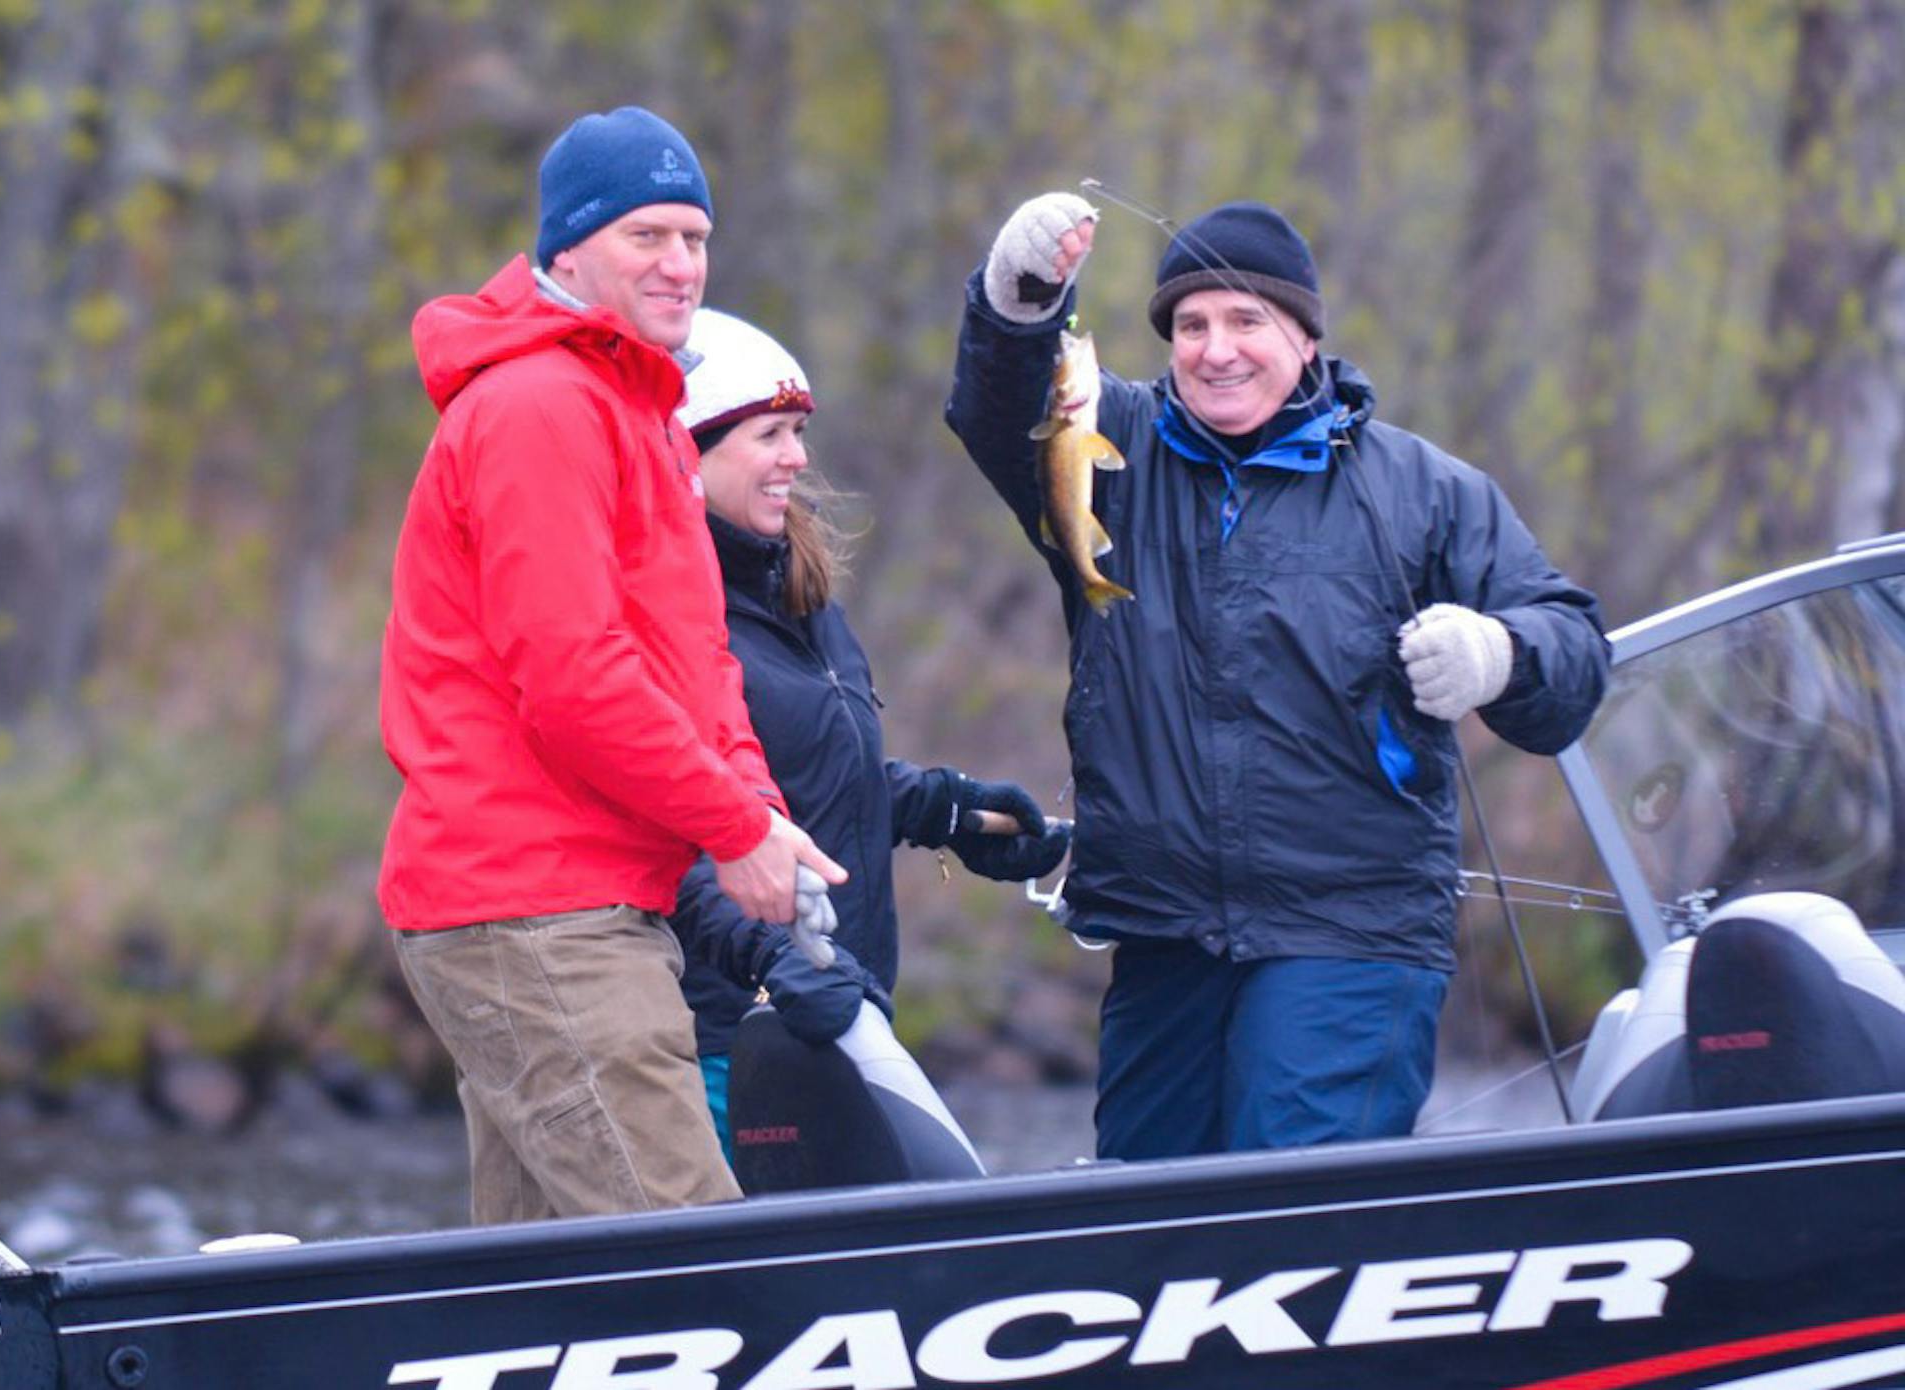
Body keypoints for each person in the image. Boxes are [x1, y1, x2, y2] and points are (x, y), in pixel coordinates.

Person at [945, 192, 1610, 1160]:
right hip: (1161, 935)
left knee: (1286, 1208)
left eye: (1246, 320)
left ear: (1305, 338)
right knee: (1146, 1237)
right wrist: (1018, 300)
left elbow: (1576, 653)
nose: (1217, 349)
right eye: (1191, 325)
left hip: (1353, 931)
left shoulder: (1420, 488)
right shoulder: (1109, 452)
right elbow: (995, 407)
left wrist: (1497, 655)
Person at [377, 106, 847, 1225]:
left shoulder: (630, 407)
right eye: (646, 235)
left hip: (577, 907)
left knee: (545, 1311)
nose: (679, 263)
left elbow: (692, 662)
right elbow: (576, 677)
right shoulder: (542, 406)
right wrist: (731, 830)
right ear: (567, 250)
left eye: (694, 237)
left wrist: (761, 817)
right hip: (534, 909)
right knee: (692, 1278)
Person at [667, 308, 1072, 1156]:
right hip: (730, 1038)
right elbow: (673, 834)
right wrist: (770, 960)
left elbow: (816, 781)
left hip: (842, 1016)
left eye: (800, 432)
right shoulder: (669, 619)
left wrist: (948, 811)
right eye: (770, 435)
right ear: (688, 459)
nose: (798, 459)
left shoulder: (806, 606)